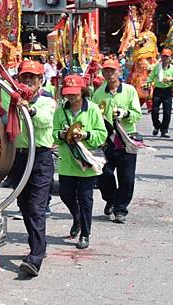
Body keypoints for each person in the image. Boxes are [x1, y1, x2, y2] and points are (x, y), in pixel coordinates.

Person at [7, 60, 56, 277]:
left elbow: (44, 120)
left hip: (40, 158)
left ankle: (36, 257)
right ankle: (37, 243)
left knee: (36, 208)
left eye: (32, 77)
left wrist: (30, 109)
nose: (28, 81)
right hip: (19, 158)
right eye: (24, 77)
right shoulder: (13, 99)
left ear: (40, 80)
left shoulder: (46, 101)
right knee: (24, 205)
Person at [53, 75, 107, 249]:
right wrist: (61, 135)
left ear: (82, 92)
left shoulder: (92, 109)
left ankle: (85, 233)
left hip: (87, 163)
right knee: (66, 195)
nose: (71, 98)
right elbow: (53, 133)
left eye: (75, 94)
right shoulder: (61, 110)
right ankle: (76, 217)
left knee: (85, 198)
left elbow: (102, 134)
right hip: (67, 162)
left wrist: (86, 135)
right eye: (68, 94)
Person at [92, 59, 142, 224]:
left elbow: (137, 113)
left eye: (112, 71)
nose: (109, 74)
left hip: (127, 137)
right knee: (103, 172)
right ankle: (111, 199)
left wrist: (125, 113)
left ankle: (120, 209)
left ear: (119, 71)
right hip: (108, 139)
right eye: (106, 71)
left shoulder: (129, 90)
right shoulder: (98, 93)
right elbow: (94, 115)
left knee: (126, 178)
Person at [146, 48, 173, 138]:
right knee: (154, 111)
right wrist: (147, 84)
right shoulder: (157, 67)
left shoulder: (172, 68)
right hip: (157, 91)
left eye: (167, 56)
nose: (165, 58)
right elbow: (150, 77)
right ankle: (157, 126)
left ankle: (164, 130)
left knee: (167, 112)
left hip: (167, 91)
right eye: (163, 56)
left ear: (170, 58)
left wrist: (170, 79)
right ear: (161, 57)